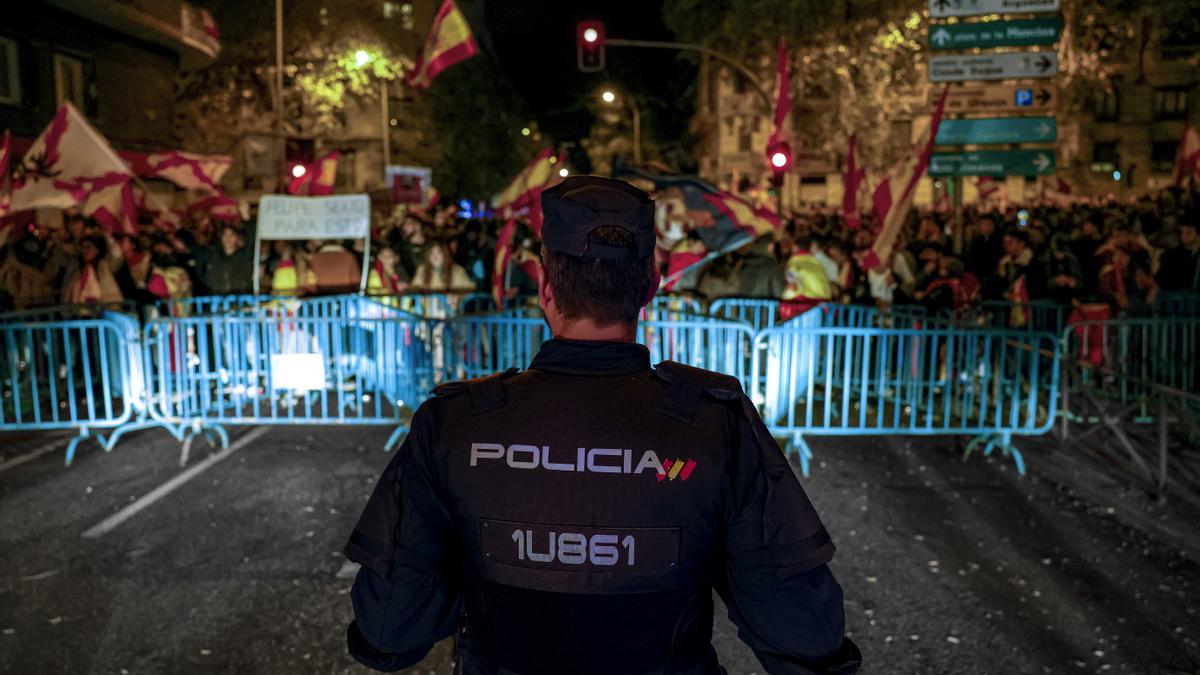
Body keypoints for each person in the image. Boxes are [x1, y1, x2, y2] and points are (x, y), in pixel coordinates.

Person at [343, 176, 861, 675]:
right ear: (651, 285)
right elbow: (805, 635)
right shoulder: (715, 424)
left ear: (545, 287)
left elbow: (389, 631)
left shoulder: (452, 423)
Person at [200, 224, 254, 296]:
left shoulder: (244, 256)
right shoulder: (212, 256)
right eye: (225, 235)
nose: (228, 238)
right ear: (221, 238)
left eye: (232, 234)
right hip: (217, 301)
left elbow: (252, 235)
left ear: (236, 238)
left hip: (241, 300)